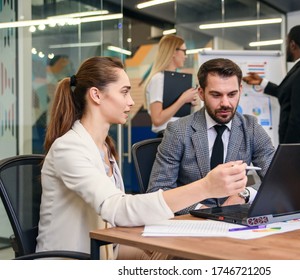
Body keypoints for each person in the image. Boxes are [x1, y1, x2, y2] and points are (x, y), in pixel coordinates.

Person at [35, 56, 248, 259]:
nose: (130, 102)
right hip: (74, 262)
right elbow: (118, 209)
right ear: (96, 95)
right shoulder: (69, 148)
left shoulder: (104, 147)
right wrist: (206, 187)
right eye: (124, 92)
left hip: (107, 251)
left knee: (187, 252)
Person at [147, 58, 275, 215]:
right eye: (216, 95)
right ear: (201, 93)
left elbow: (277, 179)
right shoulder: (178, 131)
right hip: (191, 222)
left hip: (236, 220)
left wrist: (244, 194)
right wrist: (202, 210)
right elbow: (158, 191)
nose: (225, 103)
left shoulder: (251, 128)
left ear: (240, 90)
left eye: (232, 94)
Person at [242, 25, 300, 144]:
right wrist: (261, 82)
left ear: (292, 44)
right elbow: (285, 93)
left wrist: (286, 150)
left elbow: (299, 119)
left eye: (286, 43)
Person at [144, 34, 199, 136]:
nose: (186, 56)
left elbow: (176, 115)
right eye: (184, 51)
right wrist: (182, 99)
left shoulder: (175, 79)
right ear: (174, 52)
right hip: (166, 137)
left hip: (181, 134)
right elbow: (157, 119)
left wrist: (189, 104)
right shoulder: (158, 79)